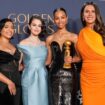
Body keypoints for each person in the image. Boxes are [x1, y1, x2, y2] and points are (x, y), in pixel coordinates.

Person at [46, 8, 80, 105]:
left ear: (67, 19)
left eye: (62, 17)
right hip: (54, 75)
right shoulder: (49, 39)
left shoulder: (74, 37)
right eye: (57, 18)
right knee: (55, 102)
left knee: (69, 102)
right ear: (54, 20)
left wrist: (72, 59)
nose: (60, 20)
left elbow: (80, 57)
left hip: (70, 75)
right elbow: (48, 61)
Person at [77, 2, 105, 105]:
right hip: (87, 78)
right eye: (87, 11)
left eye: (93, 11)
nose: (90, 14)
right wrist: (71, 59)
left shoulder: (103, 31)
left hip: (103, 76)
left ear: (96, 14)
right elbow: (80, 57)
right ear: (83, 16)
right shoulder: (81, 33)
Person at [17, 15, 49, 105]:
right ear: (29, 26)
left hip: (43, 78)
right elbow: (18, 65)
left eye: (39, 26)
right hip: (29, 78)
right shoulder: (23, 43)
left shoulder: (44, 44)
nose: (36, 28)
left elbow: (47, 62)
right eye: (34, 25)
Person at [0, 18, 22, 105]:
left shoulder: (14, 46)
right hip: (2, 84)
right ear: (0, 29)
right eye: (6, 27)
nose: (10, 30)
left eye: (12, 27)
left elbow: (18, 67)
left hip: (17, 82)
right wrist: (8, 82)